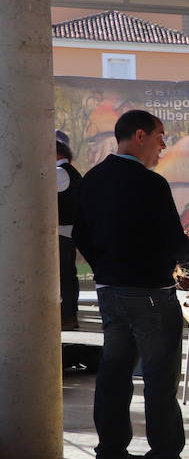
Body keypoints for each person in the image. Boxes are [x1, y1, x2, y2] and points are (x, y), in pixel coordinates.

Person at [72, 109, 189, 459]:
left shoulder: (93, 178)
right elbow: (173, 240)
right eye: (160, 135)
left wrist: (105, 267)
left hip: (110, 289)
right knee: (159, 377)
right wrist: (185, 253)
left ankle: (111, 453)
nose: (164, 144)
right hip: (150, 292)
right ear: (140, 135)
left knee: (113, 373)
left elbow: (81, 235)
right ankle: (164, 458)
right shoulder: (150, 183)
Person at [56, 132, 82, 331]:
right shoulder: (69, 171)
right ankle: (69, 317)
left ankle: (67, 317)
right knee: (68, 278)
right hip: (68, 234)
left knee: (65, 279)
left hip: (61, 235)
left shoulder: (59, 172)